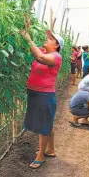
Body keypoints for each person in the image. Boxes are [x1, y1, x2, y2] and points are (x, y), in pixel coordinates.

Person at [20, 13, 64, 169]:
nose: (47, 38)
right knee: (46, 123)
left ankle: (40, 155)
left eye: (51, 38)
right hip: (35, 93)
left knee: (43, 126)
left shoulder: (55, 56)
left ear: (57, 45)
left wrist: (29, 38)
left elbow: (39, 58)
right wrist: (26, 27)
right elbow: (28, 46)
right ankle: (50, 150)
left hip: (44, 95)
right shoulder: (43, 50)